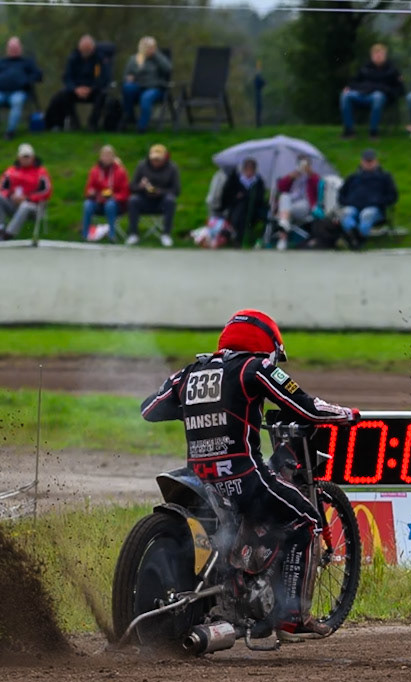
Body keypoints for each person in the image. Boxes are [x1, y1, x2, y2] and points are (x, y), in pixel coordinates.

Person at [140, 310, 360, 644]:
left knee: (260, 514)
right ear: (266, 345)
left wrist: (200, 406)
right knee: (307, 519)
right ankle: (293, 619)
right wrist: (346, 414)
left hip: (198, 480)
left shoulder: (191, 373)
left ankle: (235, 585)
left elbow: (150, 410)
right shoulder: (255, 367)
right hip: (242, 477)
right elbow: (307, 407)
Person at [43, 34, 109, 132]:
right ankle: (73, 121)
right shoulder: (72, 58)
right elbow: (67, 77)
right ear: (79, 48)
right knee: (62, 95)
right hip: (75, 90)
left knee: (102, 95)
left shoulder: (98, 60)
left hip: (93, 90)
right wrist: (75, 89)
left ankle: (92, 123)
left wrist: (91, 88)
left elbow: (100, 78)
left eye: (88, 50)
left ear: (93, 48)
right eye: (83, 50)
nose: (86, 52)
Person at [339, 43, 403, 138]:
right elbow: (354, 81)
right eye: (375, 54)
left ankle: (373, 132)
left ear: (385, 55)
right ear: (371, 55)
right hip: (362, 94)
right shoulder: (365, 68)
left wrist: (385, 91)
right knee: (345, 95)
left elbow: (399, 89)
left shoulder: (392, 71)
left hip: (380, 97)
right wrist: (348, 87)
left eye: (380, 54)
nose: (378, 56)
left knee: (377, 96)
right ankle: (349, 131)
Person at [338, 148, 398, 246]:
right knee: (346, 213)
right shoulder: (353, 177)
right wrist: (347, 202)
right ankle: (357, 237)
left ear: (376, 161)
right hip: (353, 207)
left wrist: (379, 202)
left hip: (374, 209)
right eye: (366, 161)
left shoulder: (384, 177)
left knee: (366, 214)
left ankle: (356, 241)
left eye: (371, 161)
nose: (369, 163)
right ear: (362, 162)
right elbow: (341, 194)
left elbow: (393, 196)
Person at [126, 143, 178, 246]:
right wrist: (140, 186)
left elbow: (176, 190)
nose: (155, 162)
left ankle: (166, 234)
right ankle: (133, 234)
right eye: (153, 159)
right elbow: (132, 187)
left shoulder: (172, 168)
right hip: (145, 199)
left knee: (170, 200)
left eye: (158, 159)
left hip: (162, 202)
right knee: (133, 200)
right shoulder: (142, 166)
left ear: (164, 158)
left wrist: (160, 191)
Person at [119, 36, 172, 133]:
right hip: (138, 87)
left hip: (155, 88)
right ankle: (130, 118)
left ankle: (141, 128)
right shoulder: (133, 59)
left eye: (151, 47)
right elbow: (126, 76)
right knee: (127, 88)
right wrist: (128, 78)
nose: (148, 49)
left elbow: (168, 69)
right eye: (146, 47)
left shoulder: (159, 58)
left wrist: (156, 55)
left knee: (146, 97)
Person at [271, 158, 326, 250]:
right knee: (284, 196)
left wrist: (310, 174)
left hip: (305, 205)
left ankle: (283, 233)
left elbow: (319, 185)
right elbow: (280, 187)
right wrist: (290, 177)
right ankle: (284, 225)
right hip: (290, 205)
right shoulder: (294, 176)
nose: (302, 167)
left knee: (284, 212)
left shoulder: (312, 177)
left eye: (305, 165)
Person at [213, 157, 267, 248]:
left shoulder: (258, 181)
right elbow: (227, 195)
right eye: (247, 169)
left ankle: (237, 237)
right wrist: (237, 197)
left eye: (251, 169)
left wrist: (246, 196)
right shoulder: (235, 179)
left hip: (253, 210)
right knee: (239, 212)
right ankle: (236, 237)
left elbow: (260, 198)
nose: (249, 172)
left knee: (243, 212)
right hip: (235, 208)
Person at [0, 143, 49, 239]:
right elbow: (2, 188)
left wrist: (27, 198)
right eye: (24, 157)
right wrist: (10, 196)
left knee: (25, 205)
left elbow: (46, 191)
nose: (26, 159)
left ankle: (8, 235)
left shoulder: (41, 172)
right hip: (13, 204)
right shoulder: (10, 172)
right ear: (18, 157)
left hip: (34, 207)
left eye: (28, 157)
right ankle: (0, 228)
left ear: (33, 157)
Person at [80, 144, 129, 242]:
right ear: (100, 157)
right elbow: (88, 189)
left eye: (109, 155)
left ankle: (111, 235)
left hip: (115, 204)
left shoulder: (120, 172)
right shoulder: (95, 171)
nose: (106, 158)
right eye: (104, 155)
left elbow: (125, 193)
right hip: (98, 201)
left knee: (110, 204)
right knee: (87, 204)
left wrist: (114, 196)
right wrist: (91, 193)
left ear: (113, 157)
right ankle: (85, 234)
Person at [0, 38, 40, 142]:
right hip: (2, 92)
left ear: (20, 48)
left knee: (17, 101)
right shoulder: (2, 62)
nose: (13, 50)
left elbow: (38, 75)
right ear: (7, 49)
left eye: (15, 47)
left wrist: (26, 81)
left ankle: (10, 132)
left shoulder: (27, 62)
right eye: (11, 48)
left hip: (19, 92)